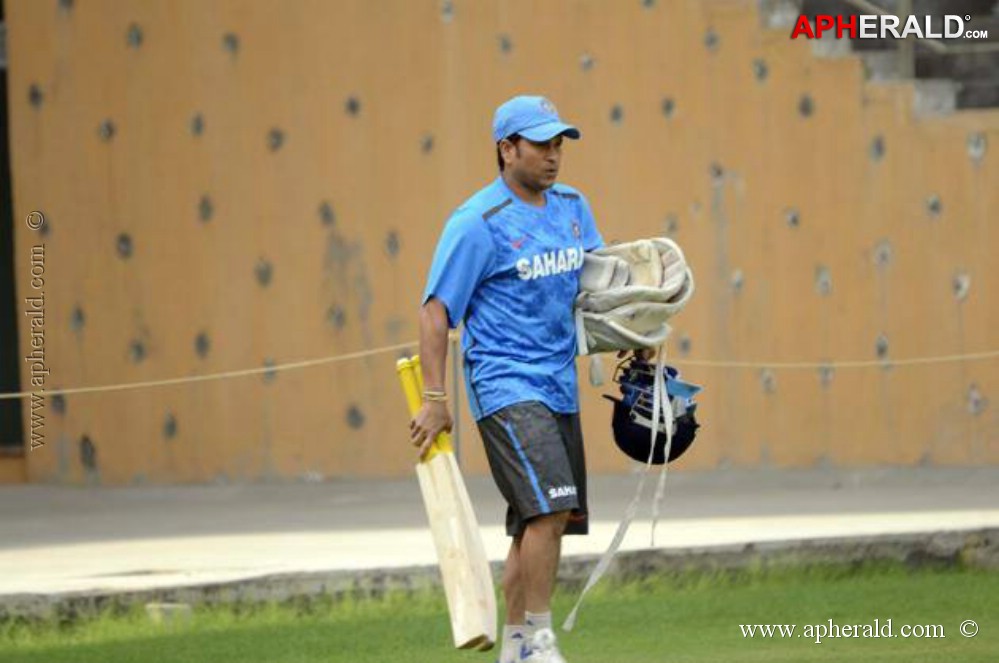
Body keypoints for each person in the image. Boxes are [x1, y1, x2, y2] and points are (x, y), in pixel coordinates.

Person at [409, 95, 602, 663]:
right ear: (506, 148)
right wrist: (436, 399)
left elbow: (599, 286)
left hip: (559, 384)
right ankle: (539, 640)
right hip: (505, 385)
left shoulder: (572, 206)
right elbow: (435, 310)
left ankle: (515, 646)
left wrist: (639, 339)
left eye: (559, 143)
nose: (553, 156)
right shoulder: (477, 223)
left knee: (541, 523)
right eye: (541, 144)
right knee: (549, 509)